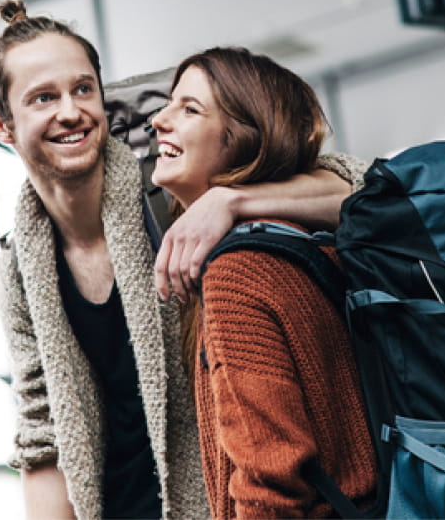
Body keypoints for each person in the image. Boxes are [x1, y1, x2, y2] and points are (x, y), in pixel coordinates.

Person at [0, 0, 366, 519]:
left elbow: (364, 191)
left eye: (83, 89)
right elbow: (41, 434)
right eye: (43, 98)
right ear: (1, 126)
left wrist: (229, 200)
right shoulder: (23, 265)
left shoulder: (166, 186)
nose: (70, 111)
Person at [149, 47, 378, 519]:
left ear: (243, 142)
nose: (159, 120)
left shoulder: (240, 272)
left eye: (189, 109)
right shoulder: (319, 247)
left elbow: (269, 479)